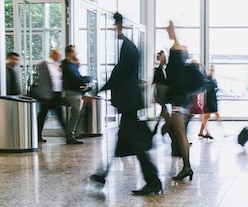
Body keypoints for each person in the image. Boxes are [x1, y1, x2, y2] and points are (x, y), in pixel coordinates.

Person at [90, 12, 162, 195]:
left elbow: (118, 74)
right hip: (130, 103)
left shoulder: (128, 48)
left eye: (115, 25)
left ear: (119, 25)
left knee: (135, 144)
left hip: (129, 103)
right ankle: (104, 174)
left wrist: (100, 89)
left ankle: (153, 182)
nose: (113, 29)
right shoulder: (129, 47)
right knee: (124, 140)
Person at [165, 20, 194, 181]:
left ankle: (187, 167)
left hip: (179, 104)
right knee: (177, 132)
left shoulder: (177, 63)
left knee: (180, 133)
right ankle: (186, 166)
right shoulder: (180, 66)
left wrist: (172, 32)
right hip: (181, 103)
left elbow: (176, 45)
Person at [32, 49, 71, 143]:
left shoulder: (57, 65)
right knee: (42, 116)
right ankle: (37, 136)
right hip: (47, 95)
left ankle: (68, 135)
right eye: (58, 55)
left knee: (59, 116)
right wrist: (44, 95)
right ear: (53, 54)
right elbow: (41, 81)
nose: (59, 57)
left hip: (57, 94)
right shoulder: (44, 65)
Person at [61, 45, 88, 145]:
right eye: (74, 52)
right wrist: (86, 80)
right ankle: (70, 135)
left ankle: (75, 132)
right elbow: (76, 79)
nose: (76, 54)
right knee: (76, 110)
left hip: (77, 92)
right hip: (71, 93)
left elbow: (78, 78)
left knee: (81, 111)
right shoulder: (66, 64)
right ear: (69, 53)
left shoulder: (72, 65)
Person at [198, 65, 221, 139]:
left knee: (207, 117)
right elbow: (204, 90)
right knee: (215, 115)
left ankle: (201, 132)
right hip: (209, 101)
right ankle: (223, 131)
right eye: (210, 70)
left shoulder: (212, 79)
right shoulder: (207, 80)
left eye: (213, 70)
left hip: (213, 100)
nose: (212, 72)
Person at [152, 50, 170, 135]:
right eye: (163, 56)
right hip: (162, 94)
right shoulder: (158, 70)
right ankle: (167, 127)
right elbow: (157, 84)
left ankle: (159, 127)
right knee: (164, 111)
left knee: (164, 111)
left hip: (164, 94)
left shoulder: (164, 69)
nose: (165, 58)